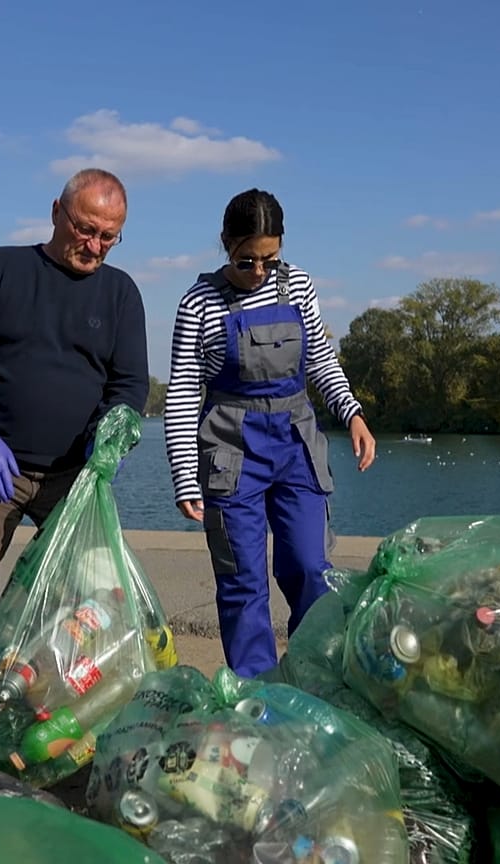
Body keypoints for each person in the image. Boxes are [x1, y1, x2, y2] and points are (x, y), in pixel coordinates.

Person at [0, 168, 149, 764]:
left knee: (96, 599)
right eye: (86, 229)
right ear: (57, 212)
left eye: (109, 236)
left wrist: (113, 433)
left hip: (76, 477)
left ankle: (68, 726)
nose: (95, 246)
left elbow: (130, 386)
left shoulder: (121, 294)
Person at [163, 188, 376, 678]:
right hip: (231, 449)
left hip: (296, 443)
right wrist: (184, 474)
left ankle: (314, 676)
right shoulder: (198, 303)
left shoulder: (297, 285)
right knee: (242, 579)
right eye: (247, 261)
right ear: (225, 244)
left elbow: (319, 359)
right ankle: (255, 690)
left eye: (270, 259)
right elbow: (184, 392)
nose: (259, 271)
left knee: (310, 566)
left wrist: (353, 414)